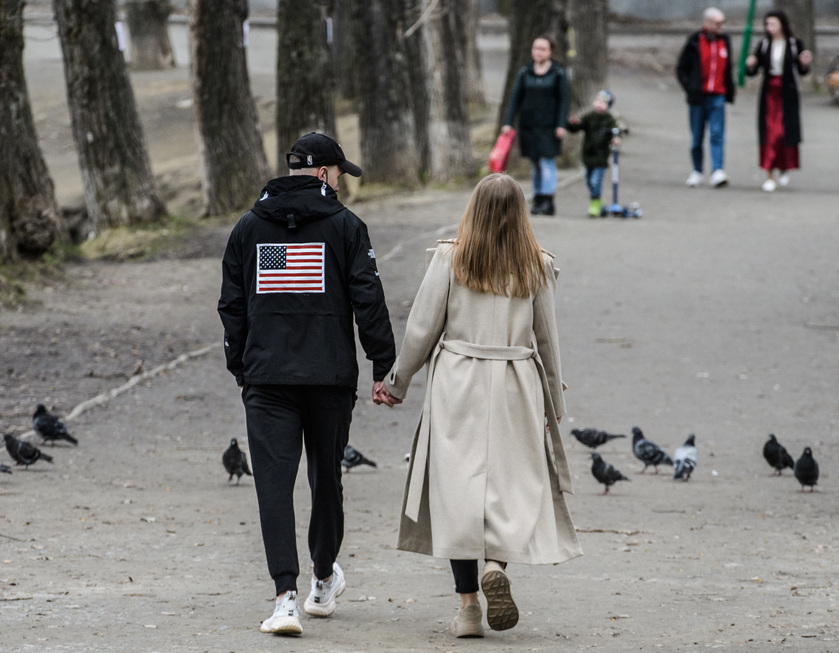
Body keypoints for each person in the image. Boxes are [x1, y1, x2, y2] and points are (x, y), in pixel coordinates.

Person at [375, 173, 582, 638]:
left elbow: (422, 328)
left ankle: (468, 607)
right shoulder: (537, 266)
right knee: (511, 488)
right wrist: (555, 401)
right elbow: (547, 340)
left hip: (458, 381)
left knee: (459, 496)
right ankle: (497, 565)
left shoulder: (450, 258)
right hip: (516, 381)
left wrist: (397, 382)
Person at [217, 132, 396, 636]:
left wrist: (241, 367)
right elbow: (369, 298)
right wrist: (384, 366)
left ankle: (284, 598)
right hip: (330, 377)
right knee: (326, 479)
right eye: (340, 173)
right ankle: (322, 580)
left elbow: (231, 305)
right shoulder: (346, 227)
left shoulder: (249, 229)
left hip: (267, 377)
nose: (342, 182)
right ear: (322, 173)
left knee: (273, 486)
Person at [501, 36, 571, 216]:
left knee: (547, 162)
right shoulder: (525, 71)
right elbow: (515, 98)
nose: (538, 52)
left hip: (550, 126)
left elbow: (564, 100)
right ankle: (538, 198)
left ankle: (548, 200)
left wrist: (561, 124)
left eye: (542, 49)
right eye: (536, 48)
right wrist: (508, 122)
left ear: (550, 52)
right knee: (534, 163)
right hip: (529, 125)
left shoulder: (558, 72)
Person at [745, 10, 813, 192]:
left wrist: (805, 63)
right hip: (769, 94)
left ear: (782, 24)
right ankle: (769, 173)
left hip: (787, 93)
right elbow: (754, 70)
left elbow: (802, 70)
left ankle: (784, 166)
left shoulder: (794, 44)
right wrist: (750, 64)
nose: (769, 28)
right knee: (769, 133)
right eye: (767, 24)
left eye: (773, 24)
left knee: (784, 133)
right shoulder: (764, 45)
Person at [676, 7, 736, 188]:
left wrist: (728, 90)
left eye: (723, 23)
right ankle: (697, 171)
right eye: (718, 23)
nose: (721, 26)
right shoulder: (694, 41)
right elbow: (681, 68)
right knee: (696, 136)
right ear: (707, 23)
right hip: (698, 97)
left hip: (717, 95)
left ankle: (717, 170)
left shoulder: (725, 41)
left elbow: (727, 68)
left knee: (717, 134)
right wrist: (690, 88)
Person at [567, 89, 622, 217]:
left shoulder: (609, 119)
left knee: (595, 181)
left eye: (603, 102)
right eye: (597, 100)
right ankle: (598, 201)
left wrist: (616, 138)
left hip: (601, 157)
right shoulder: (589, 117)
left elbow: (616, 131)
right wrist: (572, 123)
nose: (599, 104)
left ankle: (595, 204)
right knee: (588, 181)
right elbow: (577, 127)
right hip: (588, 156)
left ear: (608, 106)